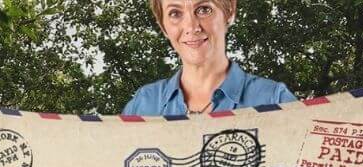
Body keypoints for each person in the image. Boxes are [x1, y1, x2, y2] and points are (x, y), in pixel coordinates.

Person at [123, 1, 297, 116]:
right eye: (175, 13)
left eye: (204, 9)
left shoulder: (275, 100)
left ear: (229, 11)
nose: (191, 27)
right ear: (163, 26)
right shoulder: (142, 104)